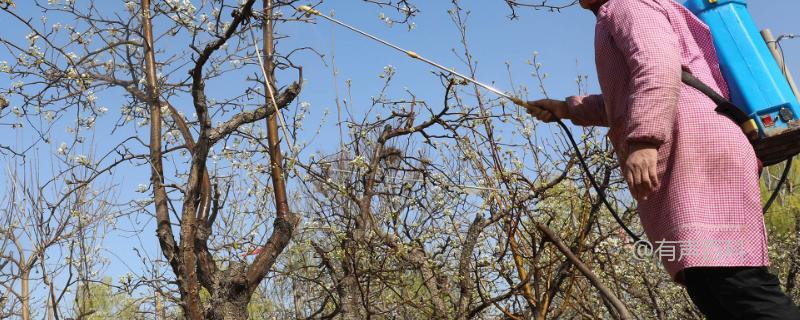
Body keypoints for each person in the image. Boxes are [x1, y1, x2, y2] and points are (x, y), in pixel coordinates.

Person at [526, 0, 800, 318]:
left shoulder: (625, 5)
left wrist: (644, 142)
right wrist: (567, 108)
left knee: (736, 284)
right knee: (711, 286)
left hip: (694, 152)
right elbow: (628, 98)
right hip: (696, 149)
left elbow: (657, 68)